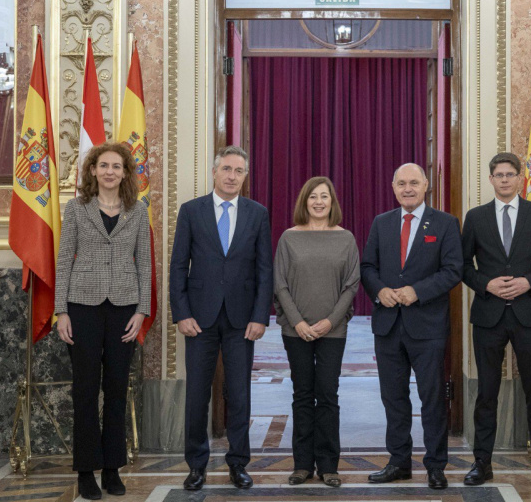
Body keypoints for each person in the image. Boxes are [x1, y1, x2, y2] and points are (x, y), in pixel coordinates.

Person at [169, 145, 273, 491]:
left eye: (239, 171)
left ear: (245, 176)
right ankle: (196, 465)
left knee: (240, 395)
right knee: (197, 394)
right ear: (215, 173)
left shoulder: (257, 214)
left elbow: (264, 270)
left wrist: (260, 316)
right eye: (226, 169)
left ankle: (238, 464)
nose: (232, 176)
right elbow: (178, 267)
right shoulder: (191, 211)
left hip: (243, 321)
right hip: (199, 319)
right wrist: (181, 313)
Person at [461, 152, 531, 489]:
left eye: (510, 174)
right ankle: (482, 464)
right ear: (490, 179)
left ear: (520, 178)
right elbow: (462, 266)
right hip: (489, 315)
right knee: (486, 393)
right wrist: (485, 284)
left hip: (528, 314)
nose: (504, 180)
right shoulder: (475, 217)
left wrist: (529, 282)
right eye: (498, 175)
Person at [55, 141, 151, 500]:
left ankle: (112, 468)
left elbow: (144, 261)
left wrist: (141, 311)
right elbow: (64, 259)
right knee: (84, 389)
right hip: (82, 307)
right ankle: (85, 471)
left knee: (116, 388)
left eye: (117, 166)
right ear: (92, 171)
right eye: (103, 165)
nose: (110, 171)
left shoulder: (137, 210)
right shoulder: (77, 209)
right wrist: (61, 310)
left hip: (125, 308)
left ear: (125, 173)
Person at [360, 163, 462, 490]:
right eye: (401, 183)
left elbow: (452, 271)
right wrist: (379, 290)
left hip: (428, 327)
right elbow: (367, 266)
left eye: (414, 183)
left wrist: (417, 291)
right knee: (394, 399)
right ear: (393, 187)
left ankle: (435, 465)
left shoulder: (445, 224)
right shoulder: (381, 223)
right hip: (388, 327)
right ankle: (399, 462)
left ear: (426, 185)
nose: (408, 188)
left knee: (432, 398)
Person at [274, 176, 360, 488]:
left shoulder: (346, 239)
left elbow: (351, 285)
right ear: (305, 202)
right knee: (301, 394)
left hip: (332, 331)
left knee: (327, 394)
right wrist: (297, 322)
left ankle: (328, 466)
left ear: (332, 202)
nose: (319, 202)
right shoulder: (288, 238)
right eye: (313, 197)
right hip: (295, 331)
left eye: (324, 196)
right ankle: (301, 465)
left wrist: (329, 322)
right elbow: (280, 284)